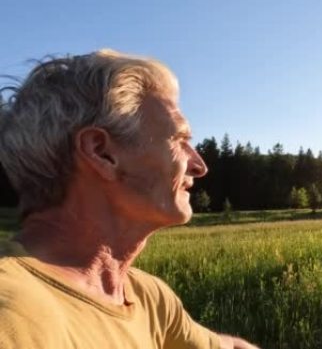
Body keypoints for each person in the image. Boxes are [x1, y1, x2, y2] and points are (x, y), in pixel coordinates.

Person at [0, 49, 259, 349]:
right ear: (102, 153)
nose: (199, 165)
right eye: (179, 140)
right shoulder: (13, 318)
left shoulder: (147, 298)